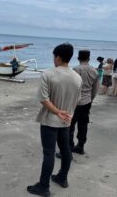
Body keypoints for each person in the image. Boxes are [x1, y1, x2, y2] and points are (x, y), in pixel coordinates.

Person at [27, 43, 82, 197]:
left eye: (54, 57)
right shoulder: (77, 77)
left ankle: (44, 186)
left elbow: (43, 99)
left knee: (49, 153)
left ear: (58, 57)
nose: (54, 59)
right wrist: (65, 112)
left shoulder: (48, 74)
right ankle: (62, 177)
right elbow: (77, 99)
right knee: (65, 150)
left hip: (51, 120)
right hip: (66, 120)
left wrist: (57, 111)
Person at [57, 50, 98, 157]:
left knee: (69, 125)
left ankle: (69, 148)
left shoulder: (75, 70)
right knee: (83, 124)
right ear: (89, 59)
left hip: (75, 102)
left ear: (78, 58)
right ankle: (80, 146)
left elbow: (70, 87)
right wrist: (90, 98)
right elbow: (95, 89)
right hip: (87, 101)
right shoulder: (94, 71)